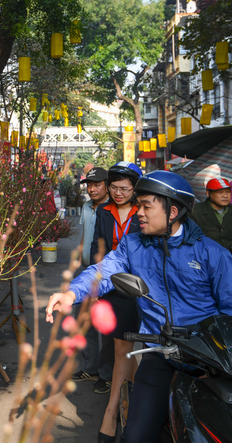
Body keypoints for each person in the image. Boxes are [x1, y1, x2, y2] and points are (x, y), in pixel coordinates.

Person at [46, 171, 232, 442]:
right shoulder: (132, 245)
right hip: (160, 354)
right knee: (137, 436)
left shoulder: (213, 254)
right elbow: (104, 271)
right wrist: (72, 293)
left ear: (173, 211)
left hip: (208, 359)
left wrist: (228, 359)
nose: (138, 212)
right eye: (137, 205)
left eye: (145, 206)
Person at [89, 162, 142, 440]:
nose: (118, 193)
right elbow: (99, 246)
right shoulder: (103, 211)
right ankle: (126, 402)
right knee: (122, 345)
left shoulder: (142, 211)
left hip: (140, 285)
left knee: (125, 347)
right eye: (114, 187)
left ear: (135, 189)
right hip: (112, 285)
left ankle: (118, 409)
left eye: (124, 188)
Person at [72, 167, 113, 392]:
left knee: (105, 325)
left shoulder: (113, 208)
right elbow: (84, 237)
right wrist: (79, 264)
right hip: (87, 270)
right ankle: (91, 367)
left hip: (106, 274)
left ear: (107, 185)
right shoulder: (87, 207)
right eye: (89, 184)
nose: (92, 188)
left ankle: (106, 375)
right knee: (83, 320)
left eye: (97, 184)